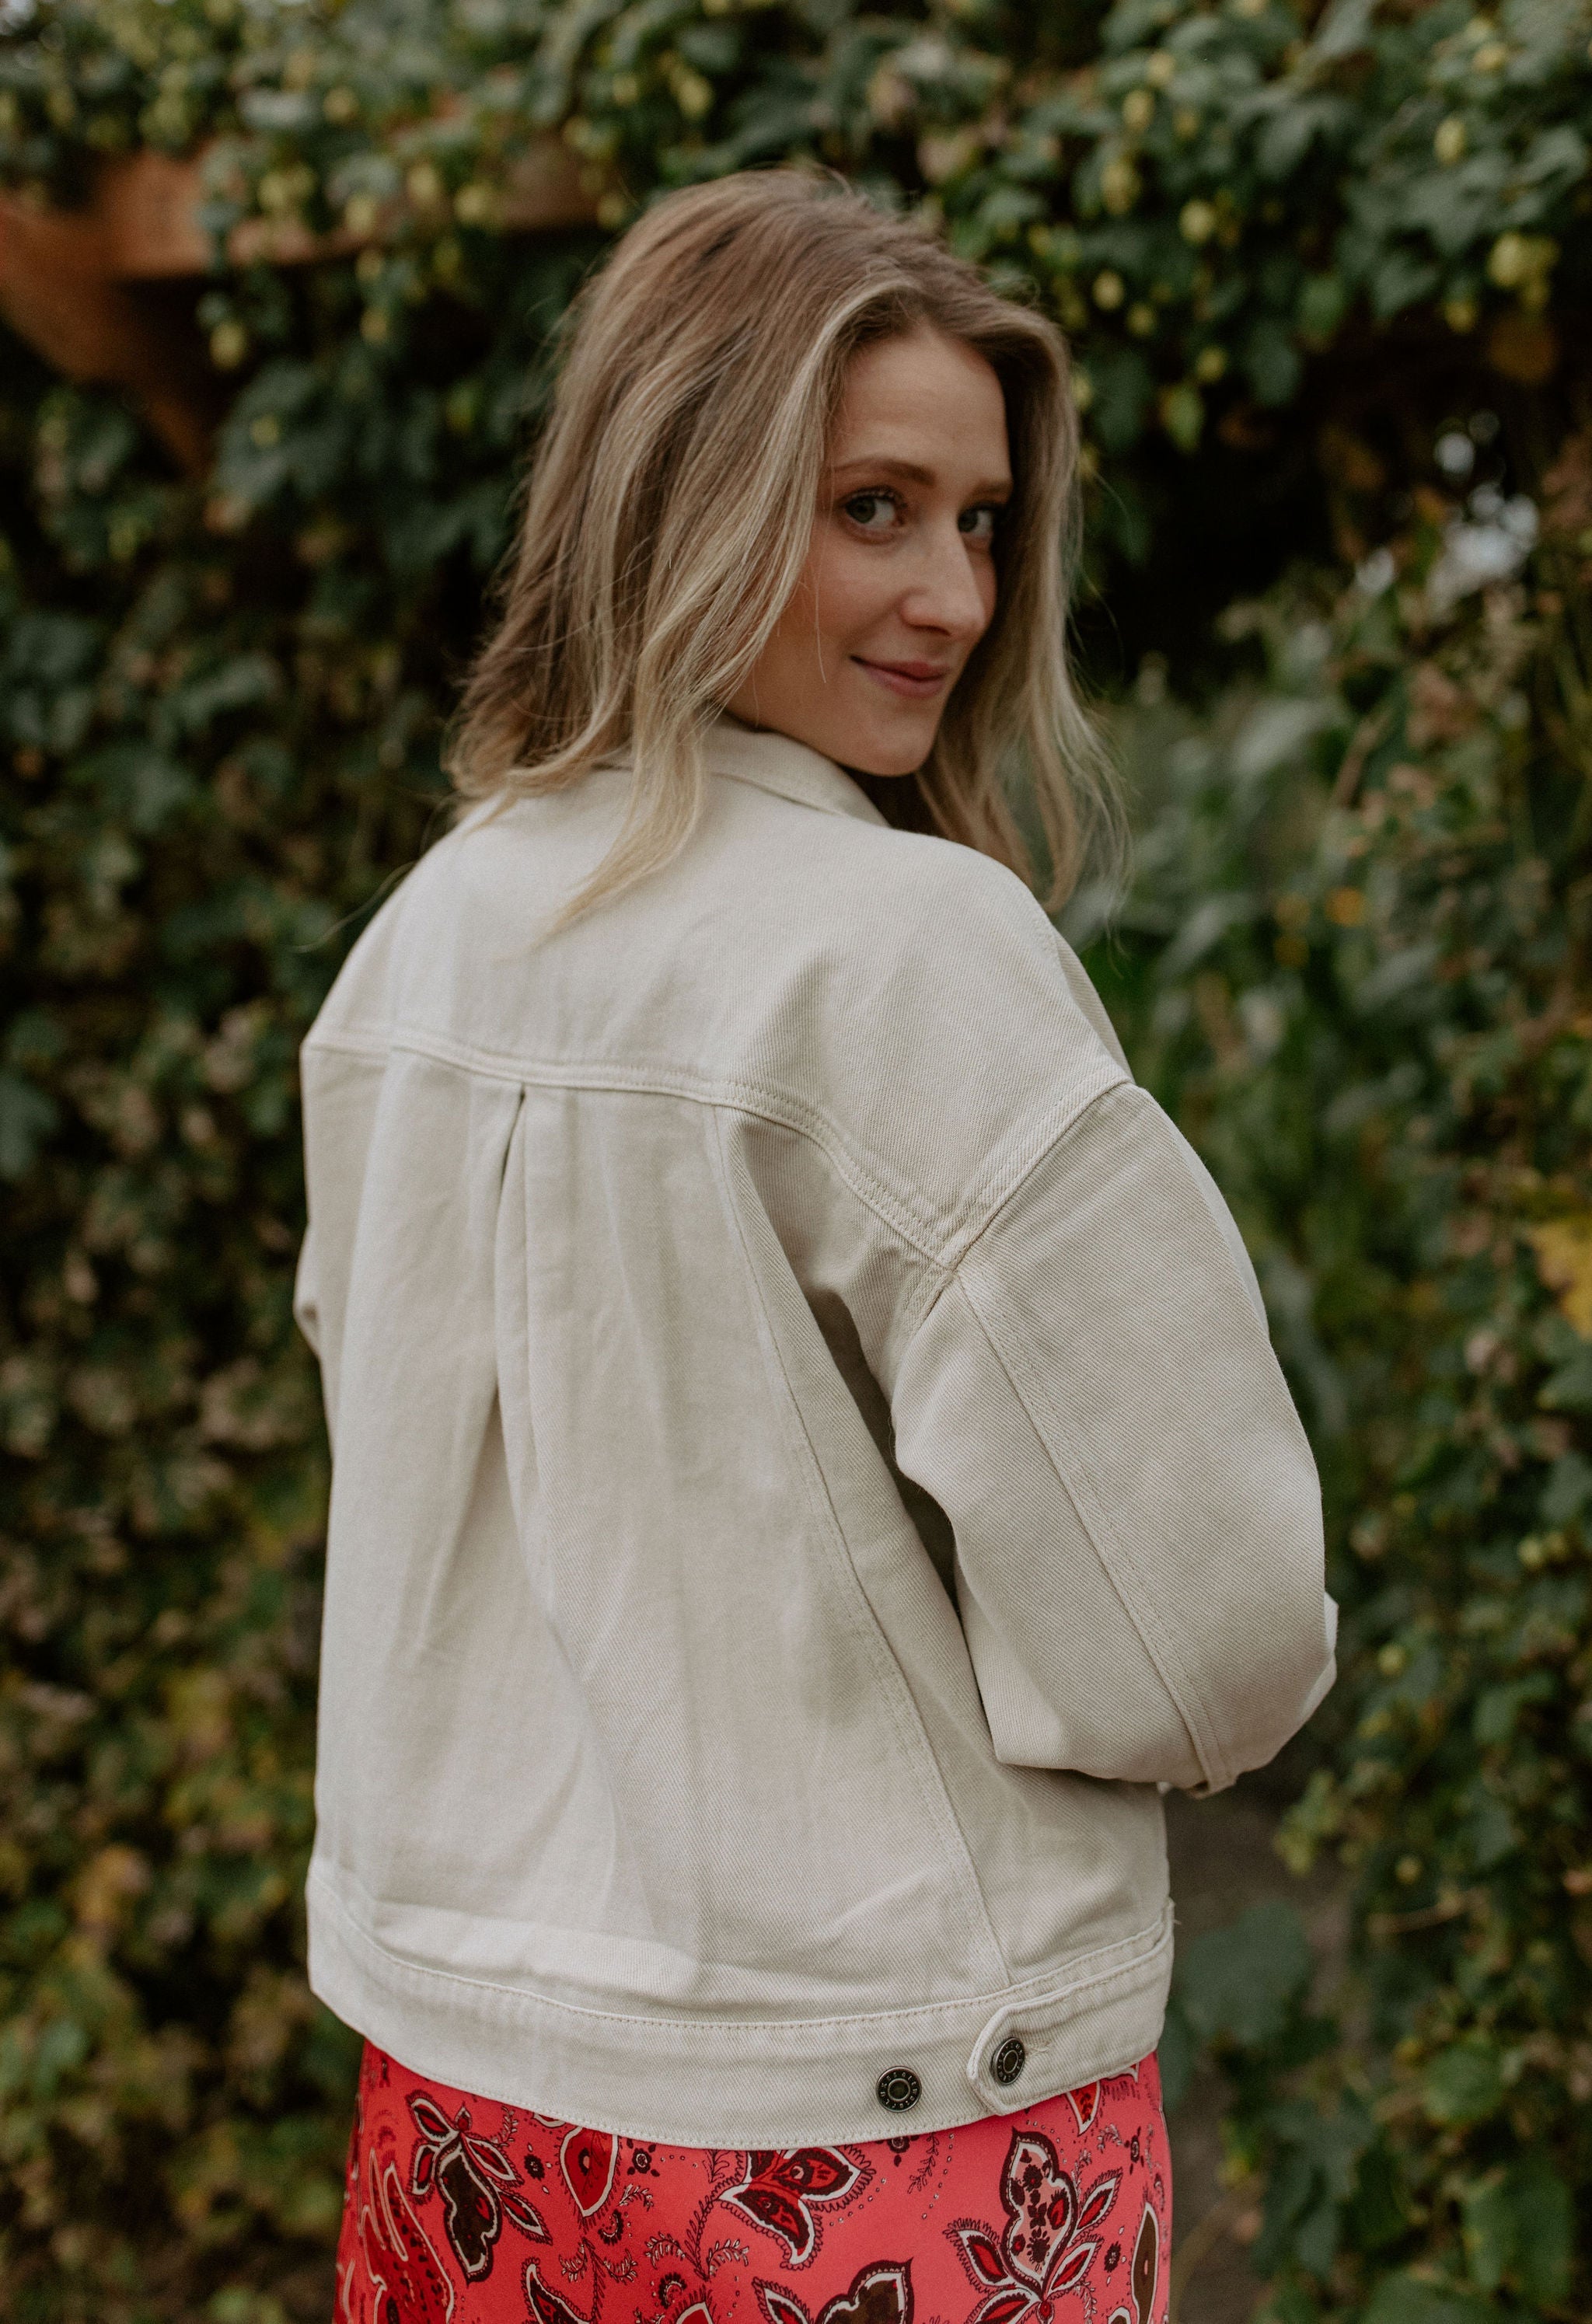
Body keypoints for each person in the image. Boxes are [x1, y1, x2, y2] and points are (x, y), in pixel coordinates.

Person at [294, 169, 1336, 2324]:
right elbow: (1198, 1641)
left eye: (981, 521)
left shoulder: (429, 934)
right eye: (873, 508)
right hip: (880, 2130)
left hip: (468, 2111)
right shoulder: (900, 953)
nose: (953, 595)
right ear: (681, 494)